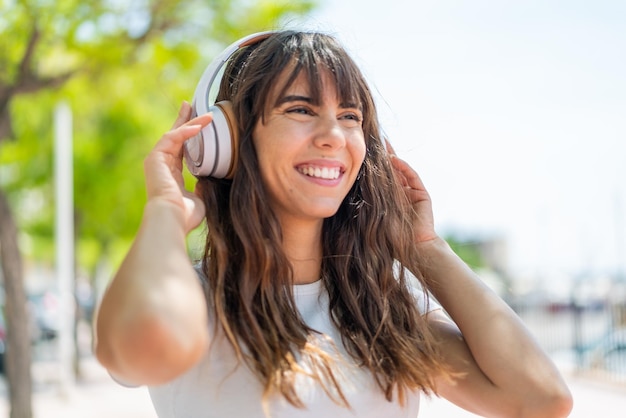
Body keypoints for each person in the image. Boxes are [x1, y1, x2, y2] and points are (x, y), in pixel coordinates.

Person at [94, 30, 573, 417]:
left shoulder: (383, 308)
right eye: (301, 109)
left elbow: (541, 400)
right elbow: (141, 348)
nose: (333, 136)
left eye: (350, 117)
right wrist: (165, 210)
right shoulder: (192, 299)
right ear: (227, 141)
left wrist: (425, 249)